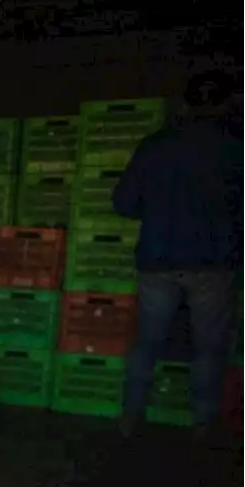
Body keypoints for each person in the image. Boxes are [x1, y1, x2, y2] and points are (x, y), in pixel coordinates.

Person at [112, 70, 245, 438]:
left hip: (158, 258)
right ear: (225, 103)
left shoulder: (155, 145)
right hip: (214, 261)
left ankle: (131, 417)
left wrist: (158, 210)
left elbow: (123, 202)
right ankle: (203, 423)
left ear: (185, 104)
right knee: (209, 347)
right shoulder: (236, 145)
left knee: (148, 341)